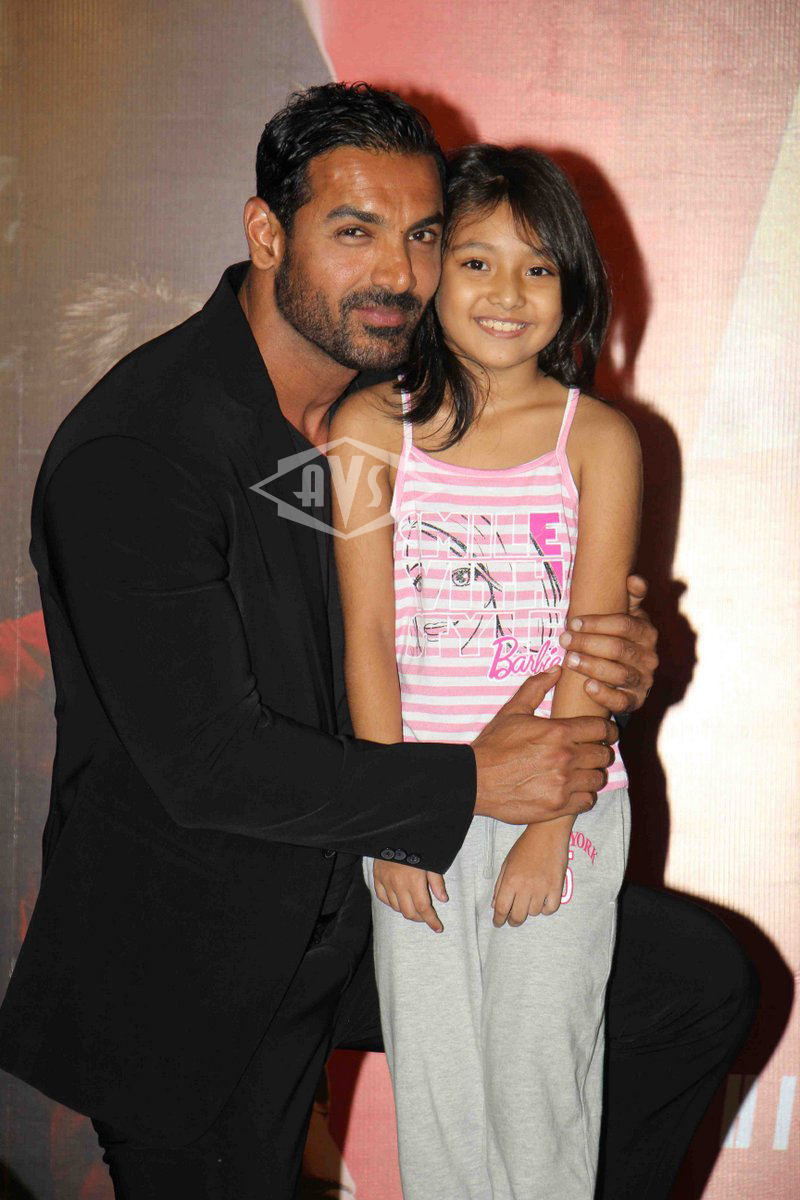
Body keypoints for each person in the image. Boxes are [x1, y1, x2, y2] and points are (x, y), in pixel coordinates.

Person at [0, 84, 753, 1200]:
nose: (398, 273)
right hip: (200, 951)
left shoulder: (409, 401)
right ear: (268, 234)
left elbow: (499, 602)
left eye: (422, 236)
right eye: (355, 232)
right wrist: (467, 784)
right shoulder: (141, 448)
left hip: (359, 890)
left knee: (691, 986)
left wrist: (622, 655)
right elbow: (205, 765)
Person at [331, 143, 637, 1199]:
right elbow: (366, 634)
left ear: (571, 285)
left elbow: (595, 640)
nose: (507, 293)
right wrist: (391, 820)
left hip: (563, 803)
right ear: (430, 273)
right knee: (438, 1091)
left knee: (535, 1084)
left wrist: (551, 825)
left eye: (537, 267)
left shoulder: (599, 439)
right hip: (420, 801)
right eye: (475, 262)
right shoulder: (365, 430)